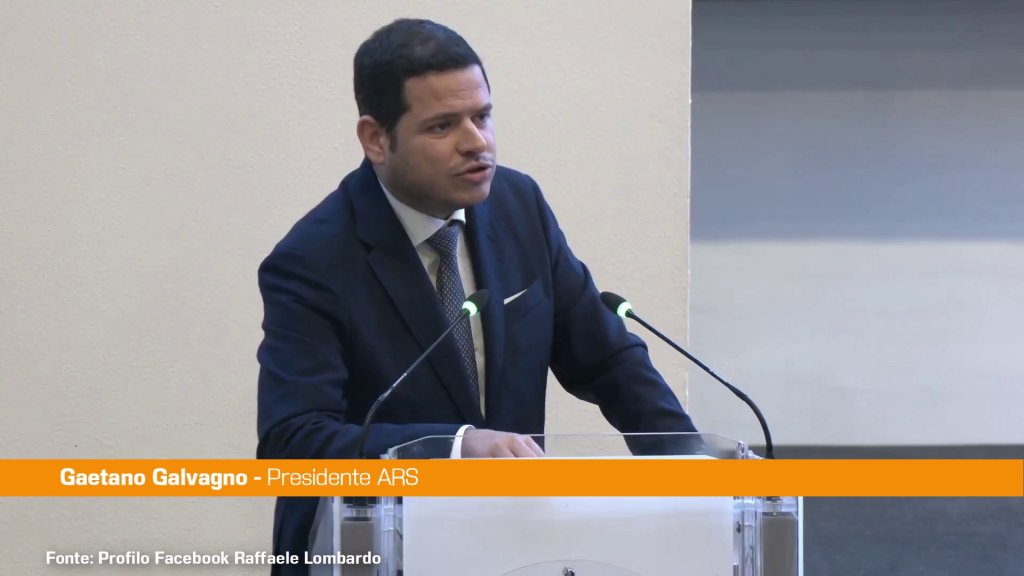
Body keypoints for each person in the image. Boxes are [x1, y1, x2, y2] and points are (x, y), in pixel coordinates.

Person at [256, 18, 697, 573]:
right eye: (442, 126)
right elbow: (294, 443)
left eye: (482, 116)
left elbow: (607, 359)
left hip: (512, 550)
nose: (477, 142)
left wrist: (691, 463)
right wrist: (456, 447)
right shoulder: (313, 260)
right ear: (376, 139)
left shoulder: (518, 205)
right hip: (374, 552)